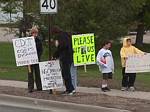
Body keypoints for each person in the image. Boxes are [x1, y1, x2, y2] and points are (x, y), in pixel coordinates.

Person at [53, 27, 75, 95]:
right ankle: (69, 89)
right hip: (69, 56)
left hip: (65, 57)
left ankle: (70, 89)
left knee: (66, 74)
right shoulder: (66, 35)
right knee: (66, 73)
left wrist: (55, 55)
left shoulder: (60, 36)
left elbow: (61, 47)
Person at [28, 27, 43, 93]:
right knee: (30, 74)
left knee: (37, 73)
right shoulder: (27, 40)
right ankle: (30, 88)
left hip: (36, 59)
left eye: (36, 33)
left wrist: (38, 56)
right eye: (34, 33)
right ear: (31, 33)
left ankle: (39, 87)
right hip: (29, 60)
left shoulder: (38, 40)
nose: (35, 34)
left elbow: (40, 50)